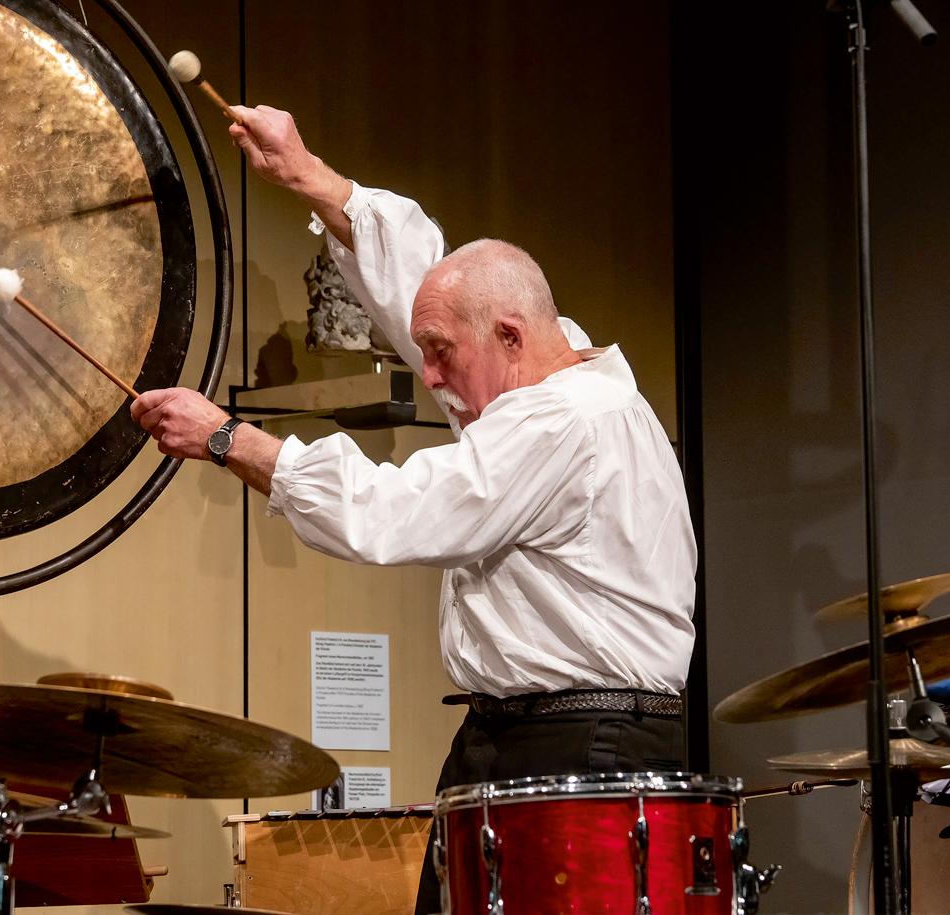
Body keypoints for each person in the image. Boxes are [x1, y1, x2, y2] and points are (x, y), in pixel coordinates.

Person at [131, 104, 697, 914]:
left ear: (509, 337)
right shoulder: (546, 360)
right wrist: (308, 175)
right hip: (517, 734)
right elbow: (427, 287)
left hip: (584, 744)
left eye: (440, 356)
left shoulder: (565, 421)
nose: (428, 376)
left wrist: (230, 440)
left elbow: (395, 510)